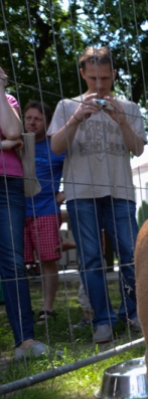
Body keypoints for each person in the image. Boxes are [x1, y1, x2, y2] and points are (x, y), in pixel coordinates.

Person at [48, 46, 146, 344]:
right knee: (90, 259)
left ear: (114, 74)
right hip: (81, 193)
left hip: (120, 191)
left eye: (105, 78)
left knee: (131, 255)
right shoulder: (67, 106)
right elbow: (55, 148)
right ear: (82, 74)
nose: (100, 85)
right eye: (93, 79)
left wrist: (122, 121)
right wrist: (77, 118)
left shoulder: (129, 107)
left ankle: (132, 313)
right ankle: (101, 321)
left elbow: (138, 148)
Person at [0, 65, 52, 359]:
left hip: (8, 185)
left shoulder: (8, 101)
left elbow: (11, 131)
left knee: (13, 263)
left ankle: (25, 341)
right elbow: (5, 138)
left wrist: (0, 88)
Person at [23, 101, 66, 324]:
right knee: (19, 263)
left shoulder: (56, 146)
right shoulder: (18, 142)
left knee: (48, 260)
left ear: (47, 123)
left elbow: (75, 169)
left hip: (46, 211)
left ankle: (47, 309)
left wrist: (63, 194)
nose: (32, 122)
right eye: (28, 117)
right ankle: (23, 308)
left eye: (37, 119)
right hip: (17, 211)